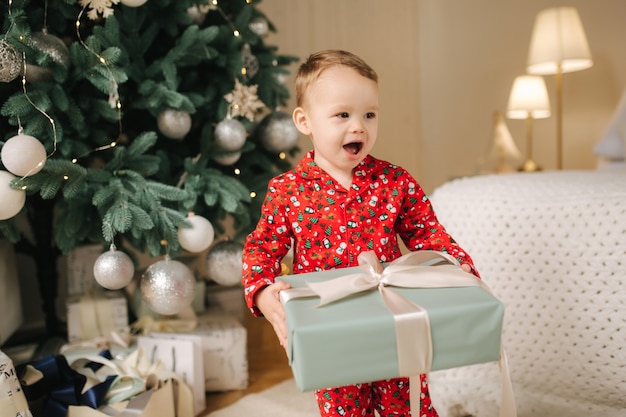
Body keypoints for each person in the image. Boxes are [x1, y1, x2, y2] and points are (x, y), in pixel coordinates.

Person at [242, 49, 478, 417]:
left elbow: (428, 234)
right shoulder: (287, 190)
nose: (359, 126)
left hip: (393, 317)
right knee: (343, 408)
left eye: (369, 114)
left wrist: (455, 266)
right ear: (305, 122)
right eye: (342, 115)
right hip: (329, 324)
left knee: (408, 403)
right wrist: (262, 293)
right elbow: (261, 249)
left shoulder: (395, 181)